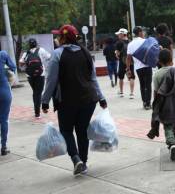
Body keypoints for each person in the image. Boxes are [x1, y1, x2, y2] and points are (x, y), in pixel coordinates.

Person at [41, 24, 107, 176]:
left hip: (67, 101)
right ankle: (83, 162)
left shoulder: (57, 54)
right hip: (89, 99)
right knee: (82, 131)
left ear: (64, 38)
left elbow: (51, 80)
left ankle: (76, 159)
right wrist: (101, 98)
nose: (57, 38)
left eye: (58, 36)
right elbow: (93, 78)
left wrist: (44, 101)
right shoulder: (86, 53)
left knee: (66, 130)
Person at [150, 49, 175, 161]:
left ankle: (171, 144)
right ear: (171, 60)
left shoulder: (156, 74)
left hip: (163, 105)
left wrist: (155, 106)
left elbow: (156, 92)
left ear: (159, 61)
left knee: (167, 126)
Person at [19, 38, 51, 119]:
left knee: (35, 92)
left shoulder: (26, 53)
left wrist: (27, 62)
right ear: (36, 44)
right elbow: (50, 57)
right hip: (40, 74)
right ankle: (38, 112)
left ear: (29, 45)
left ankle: (37, 111)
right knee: (38, 93)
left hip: (30, 76)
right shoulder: (41, 50)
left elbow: (21, 63)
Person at [126, 27, 152, 110]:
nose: (143, 33)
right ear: (140, 32)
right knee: (148, 85)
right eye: (142, 32)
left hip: (138, 68)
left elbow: (128, 58)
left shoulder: (130, 44)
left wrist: (128, 68)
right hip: (147, 66)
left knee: (142, 84)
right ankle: (148, 103)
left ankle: (144, 101)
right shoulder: (145, 41)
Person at [0, 50, 16, 156]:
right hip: (4, 90)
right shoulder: (2, 54)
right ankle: (4, 147)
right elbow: (13, 68)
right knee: (4, 120)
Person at [115, 28, 135, 98]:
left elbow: (117, 54)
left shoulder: (119, 43)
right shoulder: (131, 42)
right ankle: (131, 93)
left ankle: (121, 92)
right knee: (131, 77)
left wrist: (117, 56)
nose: (118, 36)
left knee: (121, 77)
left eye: (119, 34)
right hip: (130, 61)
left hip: (122, 62)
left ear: (122, 34)